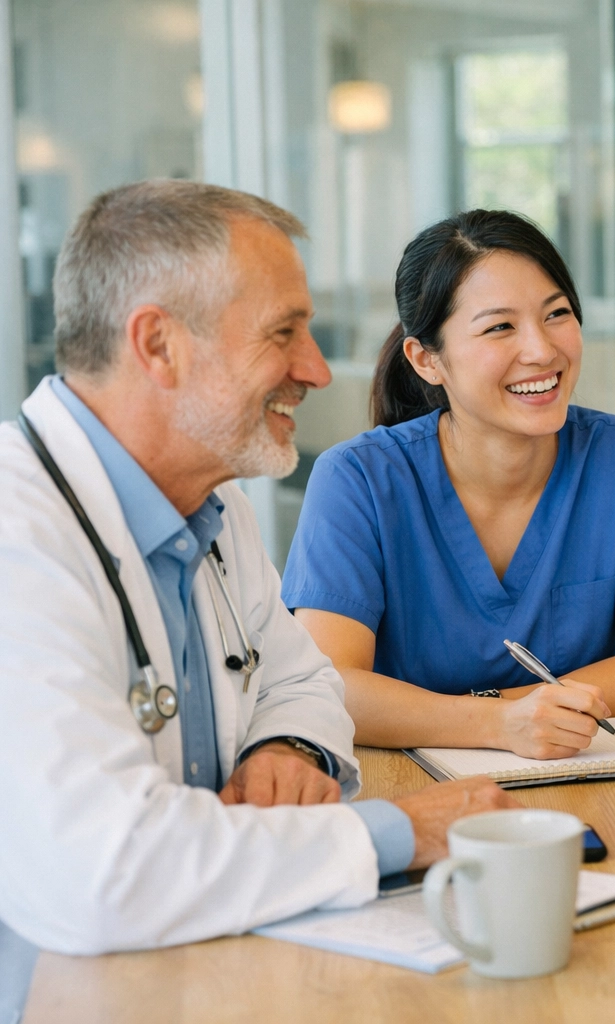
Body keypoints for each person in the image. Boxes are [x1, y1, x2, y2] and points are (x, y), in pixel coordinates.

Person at [0, 182, 520, 1016]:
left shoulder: (212, 501)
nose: (315, 369)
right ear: (159, 344)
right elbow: (102, 872)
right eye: (285, 333)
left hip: (210, 966)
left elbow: (302, 680)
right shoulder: (19, 541)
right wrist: (399, 832)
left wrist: (287, 751)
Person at [282, 210, 615, 757]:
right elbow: (332, 687)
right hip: (414, 792)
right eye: (500, 327)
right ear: (427, 359)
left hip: (591, 777)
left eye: (556, 313)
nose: (541, 350)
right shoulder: (358, 480)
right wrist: (498, 723)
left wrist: (498, 712)